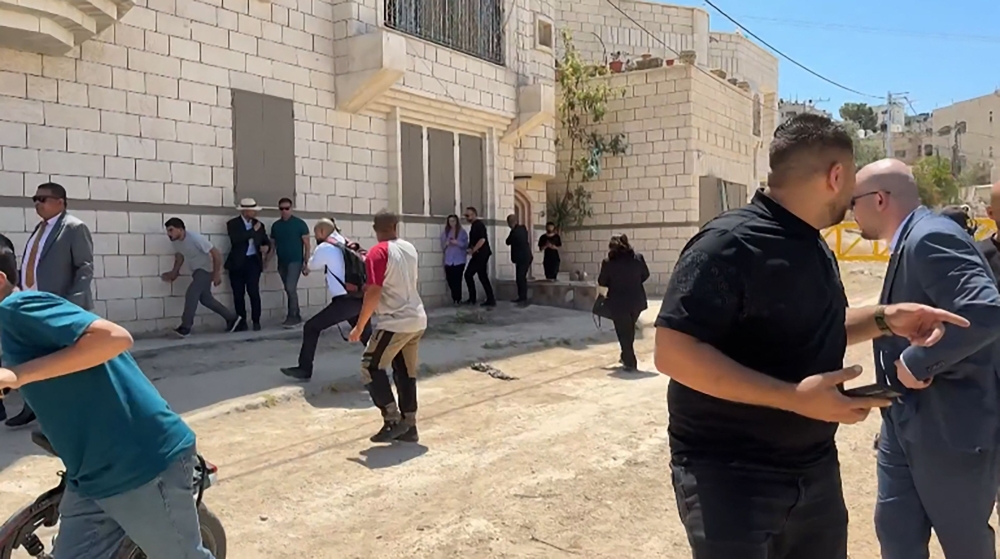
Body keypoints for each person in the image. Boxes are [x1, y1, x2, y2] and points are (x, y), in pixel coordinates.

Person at [654, 114, 969, 559]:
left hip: (813, 471)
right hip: (729, 476)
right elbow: (672, 351)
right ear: (836, 176)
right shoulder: (727, 243)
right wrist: (794, 398)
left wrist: (886, 318)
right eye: (852, 179)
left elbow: (813, 325)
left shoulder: (814, 244)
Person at [0, 245, 214, 559]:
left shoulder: (18, 307)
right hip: (90, 473)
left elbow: (114, 338)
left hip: (140, 463)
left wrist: (18, 375)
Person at [852, 159, 1000, 559]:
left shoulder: (930, 237)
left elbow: (985, 310)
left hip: (950, 429)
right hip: (906, 423)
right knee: (896, 534)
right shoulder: (913, 237)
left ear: (878, 200)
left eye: (854, 202)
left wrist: (917, 362)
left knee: (964, 544)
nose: (851, 212)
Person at [11, 182, 94, 429]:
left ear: (60, 202)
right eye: (35, 199)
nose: (38, 203)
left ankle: (75, 413)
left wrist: (70, 306)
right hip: (32, 306)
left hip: (58, 309)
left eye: (43, 199)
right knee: (32, 358)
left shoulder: (74, 227)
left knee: (63, 362)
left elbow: (85, 268)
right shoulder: (40, 229)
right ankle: (33, 407)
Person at [348, 211, 427, 444]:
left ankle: (392, 419)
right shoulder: (409, 248)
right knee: (405, 372)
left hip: (395, 322)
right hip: (416, 318)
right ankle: (409, 425)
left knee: (370, 366)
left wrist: (360, 326)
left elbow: (374, 291)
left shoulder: (378, 252)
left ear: (374, 228)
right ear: (395, 225)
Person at [280, 218, 372, 381]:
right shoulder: (346, 243)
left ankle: (304, 369)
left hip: (345, 301)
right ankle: (387, 366)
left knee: (311, 327)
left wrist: (307, 263)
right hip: (360, 298)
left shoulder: (325, 247)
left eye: (316, 233)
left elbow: (312, 265)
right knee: (367, 336)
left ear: (322, 232)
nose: (316, 237)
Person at [162, 217, 242, 337]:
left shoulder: (195, 238)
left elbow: (216, 254)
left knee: (191, 294)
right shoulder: (176, 242)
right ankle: (232, 319)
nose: (169, 234)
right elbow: (180, 257)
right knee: (206, 300)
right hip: (196, 271)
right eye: (168, 231)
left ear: (180, 229)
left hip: (205, 270)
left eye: (171, 230)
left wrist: (216, 273)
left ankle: (185, 327)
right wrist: (174, 272)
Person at [597, 234, 649, 371]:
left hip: (618, 302)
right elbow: (646, 274)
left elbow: (602, 281)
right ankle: (625, 356)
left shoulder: (608, 262)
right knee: (628, 330)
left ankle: (630, 362)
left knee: (623, 332)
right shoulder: (638, 258)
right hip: (637, 300)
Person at [225, 198, 271, 332]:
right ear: (245, 211)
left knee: (253, 292)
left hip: (253, 262)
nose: (255, 213)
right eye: (252, 211)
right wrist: (252, 231)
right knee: (238, 293)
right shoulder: (233, 224)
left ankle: (256, 321)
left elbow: (265, 240)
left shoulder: (259, 225)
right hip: (237, 262)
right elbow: (236, 239)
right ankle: (241, 321)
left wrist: (266, 247)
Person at [269, 198, 311, 327]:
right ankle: (296, 314)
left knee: (290, 287)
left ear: (291, 209)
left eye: (287, 208)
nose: (284, 211)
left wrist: (306, 263)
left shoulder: (299, 224)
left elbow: (307, 245)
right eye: (281, 209)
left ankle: (292, 316)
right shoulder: (276, 226)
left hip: (295, 261)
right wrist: (266, 260)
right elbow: (273, 246)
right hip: (282, 261)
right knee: (289, 290)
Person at [463, 206, 495, 307]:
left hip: (481, 254)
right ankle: (490, 299)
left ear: (474, 215)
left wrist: (473, 250)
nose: (466, 217)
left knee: (468, 274)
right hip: (480, 254)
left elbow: (482, 240)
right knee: (482, 276)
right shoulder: (475, 225)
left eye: (468, 215)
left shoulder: (479, 225)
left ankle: (473, 299)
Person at [440, 214, 468, 305]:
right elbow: (442, 245)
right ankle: (454, 296)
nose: (452, 223)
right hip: (448, 260)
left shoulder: (462, 232)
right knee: (450, 279)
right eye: (450, 221)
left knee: (457, 280)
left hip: (459, 260)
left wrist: (457, 242)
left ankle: (457, 299)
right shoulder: (445, 232)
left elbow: (465, 245)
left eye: (453, 221)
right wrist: (447, 243)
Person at [505, 214, 532, 304]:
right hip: (523, 258)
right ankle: (522, 296)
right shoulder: (522, 229)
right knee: (520, 278)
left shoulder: (516, 231)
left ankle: (523, 297)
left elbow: (508, 241)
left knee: (520, 278)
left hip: (523, 258)